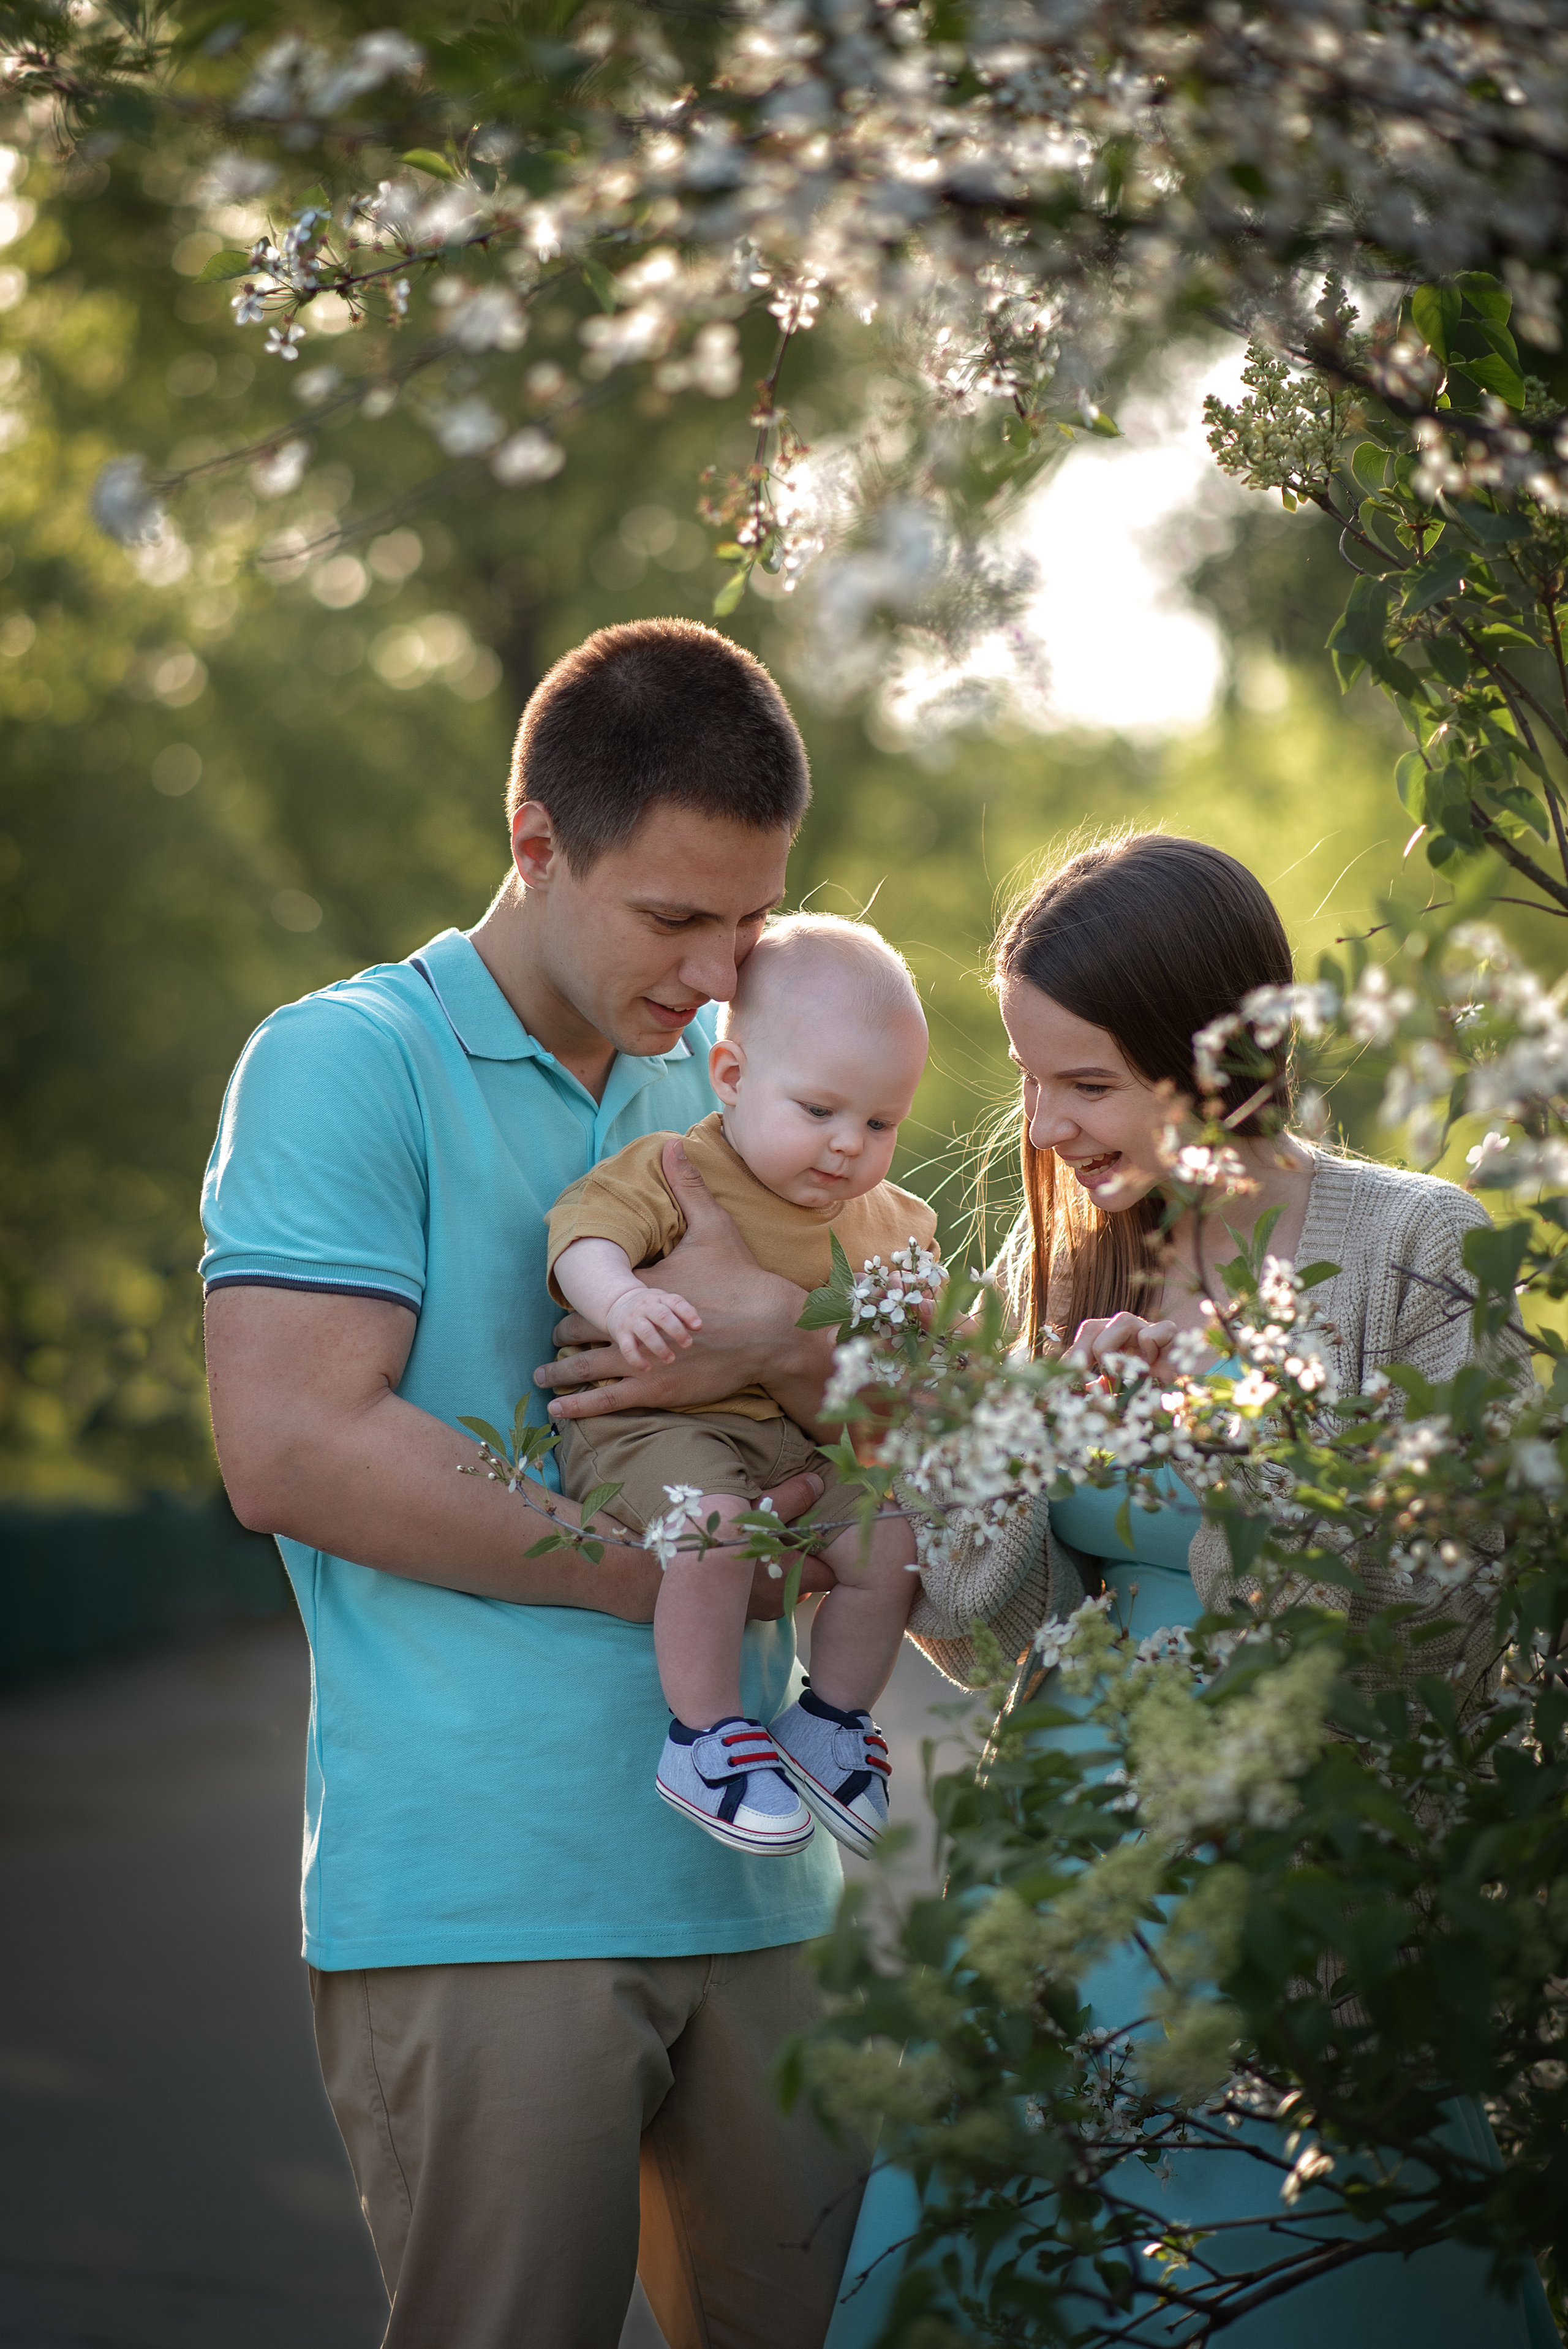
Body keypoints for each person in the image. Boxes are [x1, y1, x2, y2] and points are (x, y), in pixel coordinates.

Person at [201, 618, 873, 2349]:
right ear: (535, 844)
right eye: (673, 918)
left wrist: (777, 1352)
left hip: (766, 1887)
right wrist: (672, 1567)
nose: (724, 970)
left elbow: (890, 1403)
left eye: (748, 919)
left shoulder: (740, 1087)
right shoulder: (350, 1059)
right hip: (489, 1898)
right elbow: (295, 1446)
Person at [826, 831, 1558, 2347]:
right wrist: (965, 1433)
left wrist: (1229, 1437)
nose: (1042, 1123)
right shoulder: (1084, 1266)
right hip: (1070, 1885)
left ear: (1213, 1059)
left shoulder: (1416, 1241)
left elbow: (1453, 1621)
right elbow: (981, 1623)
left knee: (1290, 2286)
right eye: (1032, 1081)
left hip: (1301, 1882)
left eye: (1083, 1084)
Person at [548, 912, 937, 1860]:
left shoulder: (891, 1223)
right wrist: (624, 1297)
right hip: (661, 1428)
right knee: (710, 1526)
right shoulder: (683, 1169)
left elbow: (909, 1369)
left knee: (891, 1538)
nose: (850, 1145)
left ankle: (832, 1717)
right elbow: (583, 1233)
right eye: (819, 1111)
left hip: (798, 1443)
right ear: (732, 1076)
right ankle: (705, 1733)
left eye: (879, 1122)